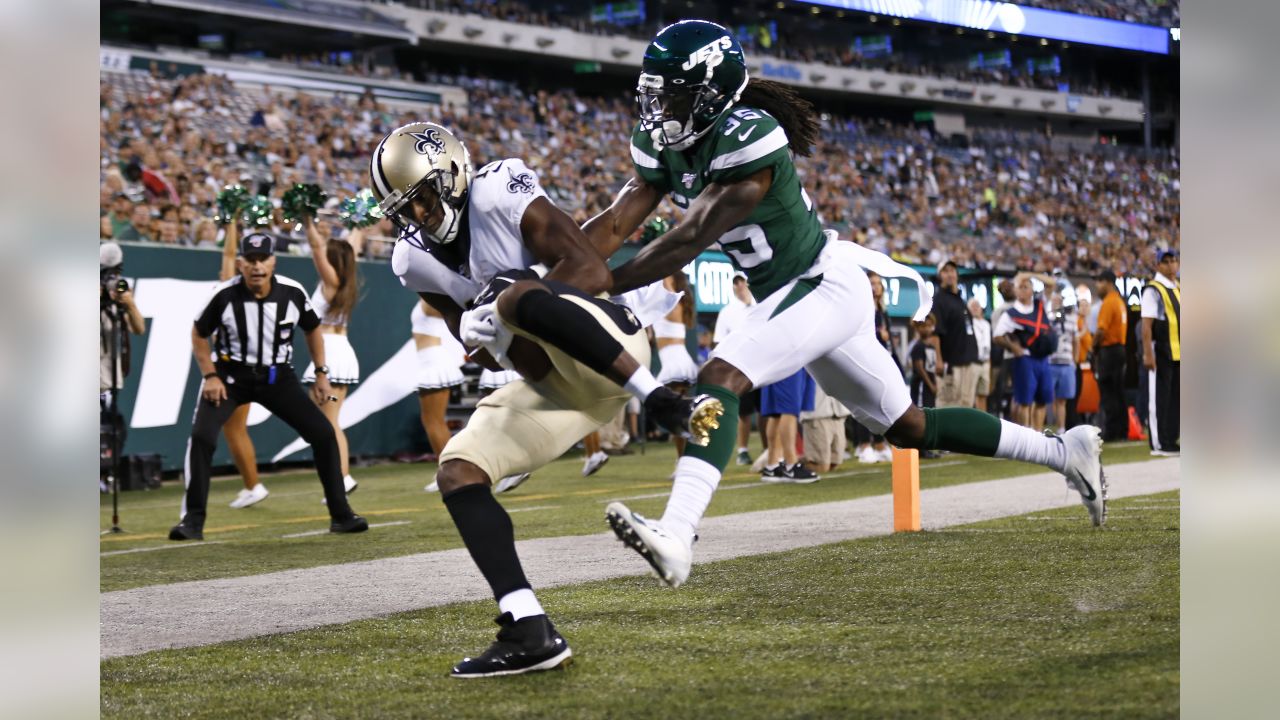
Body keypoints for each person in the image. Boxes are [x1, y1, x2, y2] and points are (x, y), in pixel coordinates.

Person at [584, 20, 1107, 589]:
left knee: (719, 378)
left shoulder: (749, 139)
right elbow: (612, 225)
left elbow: (688, 238)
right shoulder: (666, 146)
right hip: (806, 294)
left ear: (712, 94)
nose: (657, 106)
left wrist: (598, 285)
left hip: (819, 283)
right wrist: (553, 274)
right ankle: (1064, 450)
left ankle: (677, 535)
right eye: (653, 91)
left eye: (673, 93)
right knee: (906, 426)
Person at [370, 121, 721, 677]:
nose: (417, 218)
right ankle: (527, 626)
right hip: (554, 384)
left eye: (423, 200)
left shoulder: (495, 189)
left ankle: (661, 403)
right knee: (459, 471)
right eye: (402, 209)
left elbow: (590, 268)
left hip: (613, 347)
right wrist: (486, 339)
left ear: (454, 176)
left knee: (513, 295)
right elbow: (496, 356)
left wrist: (513, 296)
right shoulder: (413, 260)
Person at [170, 232, 368, 541]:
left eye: (263, 259)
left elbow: (313, 329)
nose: (257, 266)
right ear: (241, 263)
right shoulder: (224, 295)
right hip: (230, 379)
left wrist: (320, 372)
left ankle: (341, 514)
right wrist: (210, 376)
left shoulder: (291, 292)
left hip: (278, 378)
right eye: (250, 260)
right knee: (201, 437)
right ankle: (192, 520)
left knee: (323, 433)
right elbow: (198, 333)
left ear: (273, 261)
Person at [300, 216, 362, 497]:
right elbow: (353, 245)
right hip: (340, 350)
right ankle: (341, 477)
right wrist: (360, 222)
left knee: (329, 423)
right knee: (330, 421)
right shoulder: (345, 279)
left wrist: (306, 220)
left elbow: (315, 248)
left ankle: (342, 478)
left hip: (330, 356)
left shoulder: (332, 282)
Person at [216, 220, 270, 509]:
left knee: (234, 429)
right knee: (234, 428)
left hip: (233, 367)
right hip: (243, 364)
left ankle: (253, 484)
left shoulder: (233, 290)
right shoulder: (238, 293)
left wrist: (232, 223)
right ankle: (251, 484)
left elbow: (227, 258)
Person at [992, 274, 1057, 430]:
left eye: (1025, 286)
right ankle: (1027, 435)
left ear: (1031, 290)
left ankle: (1038, 433)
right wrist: (1014, 348)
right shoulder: (1011, 314)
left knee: (1042, 399)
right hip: (1025, 359)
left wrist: (1030, 275)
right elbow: (997, 336)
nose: (1022, 290)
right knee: (1025, 401)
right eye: (1019, 287)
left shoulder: (1040, 305)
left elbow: (1051, 283)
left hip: (1043, 358)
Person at [411, 299, 465, 466]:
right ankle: (448, 468)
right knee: (433, 420)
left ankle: (450, 469)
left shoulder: (431, 299)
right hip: (429, 360)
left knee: (433, 420)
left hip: (434, 361)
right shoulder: (424, 298)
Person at [713, 271, 759, 466]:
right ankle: (742, 450)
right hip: (741, 368)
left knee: (768, 412)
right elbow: (718, 342)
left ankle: (770, 452)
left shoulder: (760, 305)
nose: (739, 285)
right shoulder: (727, 312)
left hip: (764, 364)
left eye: (742, 281)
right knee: (743, 412)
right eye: (736, 282)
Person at [654, 272, 700, 458]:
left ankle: (684, 460)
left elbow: (665, 280)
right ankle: (685, 458)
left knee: (676, 416)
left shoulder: (673, 303)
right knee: (678, 415)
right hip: (675, 360)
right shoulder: (673, 303)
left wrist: (666, 269)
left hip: (675, 363)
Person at [1141, 249, 1180, 455]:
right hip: (1161, 350)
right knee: (1159, 397)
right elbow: (1146, 325)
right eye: (1166, 262)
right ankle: (1159, 442)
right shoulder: (1153, 289)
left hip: (1179, 350)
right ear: (1158, 265)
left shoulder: (1179, 287)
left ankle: (1171, 439)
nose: (1172, 265)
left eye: (1174, 260)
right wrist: (1148, 354)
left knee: (1176, 397)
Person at [853, 272, 895, 464]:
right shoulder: (863, 306)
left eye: (878, 283)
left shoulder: (882, 309)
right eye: (872, 283)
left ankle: (879, 443)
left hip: (880, 360)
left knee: (879, 404)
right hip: (865, 360)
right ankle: (863, 445)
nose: (876, 287)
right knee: (864, 403)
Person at [932, 259, 981, 410]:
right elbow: (935, 333)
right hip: (951, 363)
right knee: (948, 405)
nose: (950, 274)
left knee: (966, 406)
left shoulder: (959, 299)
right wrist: (939, 360)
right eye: (945, 271)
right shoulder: (938, 300)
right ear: (940, 276)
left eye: (952, 271)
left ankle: (962, 434)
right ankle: (945, 434)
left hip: (968, 360)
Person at [758, 369, 818, 482]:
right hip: (790, 361)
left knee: (776, 412)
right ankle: (791, 464)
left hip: (783, 361)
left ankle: (772, 465)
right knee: (789, 410)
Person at [1094, 269, 1128, 441]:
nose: (1097, 286)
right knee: (1118, 392)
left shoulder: (1108, 302)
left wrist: (1093, 347)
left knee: (1109, 392)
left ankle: (1112, 431)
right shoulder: (1119, 301)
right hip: (1120, 349)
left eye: (1099, 282)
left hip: (1110, 351)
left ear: (1107, 282)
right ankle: (1122, 430)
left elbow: (1101, 330)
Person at [1047, 291, 1081, 435]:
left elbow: (1076, 340)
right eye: (1053, 301)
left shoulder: (1071, 319)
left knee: (1063, 399)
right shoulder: (1048, 318)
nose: (1056, 304)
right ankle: (1052, 427)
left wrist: (1075, 360)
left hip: (1066, 362)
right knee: (1049, 398)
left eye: (1058, 301)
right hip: (1051, 362)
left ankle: (1061, 429)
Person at [800, 383, 849, 474]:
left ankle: (788, 462)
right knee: (820, 465)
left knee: (834, 462)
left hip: (838, 414)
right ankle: (788, 465)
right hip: (817, 414)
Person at [909, 315, 939, 409]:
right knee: (921, 410)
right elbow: (920, 369)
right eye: (923, 326)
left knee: (930, 410)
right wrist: (931, 385)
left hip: (930, 386)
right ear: (917, 328)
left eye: (929, 326)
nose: (927, 329)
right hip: (921, 385)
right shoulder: (918, 346)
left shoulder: (931, 346)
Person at [968, 298, 992, 415]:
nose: (975, 308)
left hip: (985, 362)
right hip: (973, 362)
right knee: (970, 394)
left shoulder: (986, 324)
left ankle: (984, 417)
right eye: (972, 306)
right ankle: (972, 418)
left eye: (977, 306)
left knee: (983, 393)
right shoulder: (968, 323)